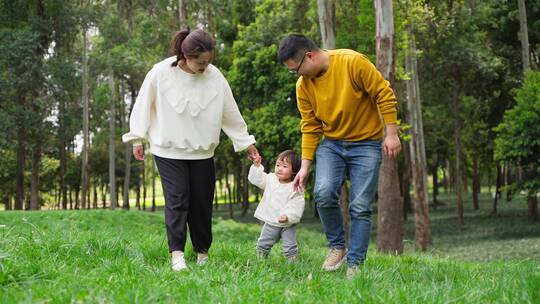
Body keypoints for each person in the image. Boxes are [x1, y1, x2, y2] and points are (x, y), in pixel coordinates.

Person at [122, 28, 260, 272]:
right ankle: (177, 256)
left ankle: (202, 254)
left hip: (202, 151)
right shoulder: (161, 73)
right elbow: (143, 104)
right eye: (200, 62)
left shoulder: (215, 76)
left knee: (201, 203)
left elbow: (230, 112)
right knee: (177, 200)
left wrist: (246, 142)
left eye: (209, 61)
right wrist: (137, 138)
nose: (205, 66)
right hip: (168, 150)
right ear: (185, 56)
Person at [277, 34, 401, 279]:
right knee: (323, 195)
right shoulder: (304, 86)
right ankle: (337, 247)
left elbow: (383, 93)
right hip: (332, 145)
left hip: (366, 144)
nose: (298, 76)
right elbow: (310, 126)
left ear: (309, 56)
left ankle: (355, 263)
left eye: (297, 69)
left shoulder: (352, 62)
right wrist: (304, 166)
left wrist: (391, 133)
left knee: (360, 206)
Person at [248, 150, 305, 263]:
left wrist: (287, 216)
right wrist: (257, 166)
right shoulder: (270, 179)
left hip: (287, 224)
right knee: (263, 244)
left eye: (284, 166)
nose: (279, 168)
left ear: (294, 170)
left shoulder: (295, 187)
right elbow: (256, 179)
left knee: (290, 248)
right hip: (271, 221)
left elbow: (296, 204)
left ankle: (294, 268)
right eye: (278, 165)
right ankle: (261, 263)